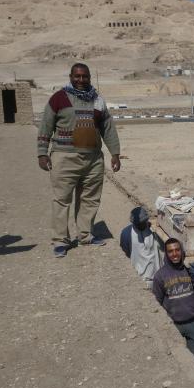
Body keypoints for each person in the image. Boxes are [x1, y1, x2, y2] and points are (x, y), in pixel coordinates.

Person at [37, 63, 121, 258]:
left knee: (90, 199)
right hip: (65, 158)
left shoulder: (98, 100)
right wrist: (42, 152)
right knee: (61, 199)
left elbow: (108, 128)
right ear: (71, 76)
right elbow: (45, 126)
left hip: (93, 159)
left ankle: (85, 235)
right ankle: (60, 240)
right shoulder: (59, 98)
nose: (81, 80)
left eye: (85, 76)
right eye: (77, 76)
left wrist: (115, 153)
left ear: (90, 77)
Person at [152, 238, 194, 364]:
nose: (175, 254)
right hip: (173, 324)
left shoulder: (192, 269)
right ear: (166, 254)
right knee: (175, 360)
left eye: (177, 250)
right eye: (170, 251)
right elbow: (156, 303)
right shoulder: (160, 276)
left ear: (182, 251)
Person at [120, 207, 163, 289]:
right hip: (140, 279)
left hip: (157, 277)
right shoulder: (126, 234)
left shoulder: (154, 229)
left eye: (143, 222)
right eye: (139, 224)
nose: (142, 225)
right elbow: (126, 254)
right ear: (133, 223)